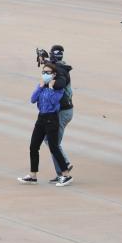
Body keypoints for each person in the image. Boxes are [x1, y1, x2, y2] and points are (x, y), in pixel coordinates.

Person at [18, 62, 73, 186]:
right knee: (33, 146)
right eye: (43, 72)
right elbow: (33, 99)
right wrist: (40, 87)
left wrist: (51, 88)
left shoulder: (58, 88)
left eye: (48, 73)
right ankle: (33, 175)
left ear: (54, 74)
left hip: (52, 119)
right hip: (41, 118)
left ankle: (66, 174)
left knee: (54, 147)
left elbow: (53, 102)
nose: (45, 74)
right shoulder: (41, 85)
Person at [49, 44, 74, 177]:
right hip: (64, 111)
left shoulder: (61, 72)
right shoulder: (61, 69)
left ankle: (65, 165)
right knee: (50, 140)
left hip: (63, 112)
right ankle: (60, 172)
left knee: (53, 142)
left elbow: (60, 84)